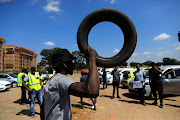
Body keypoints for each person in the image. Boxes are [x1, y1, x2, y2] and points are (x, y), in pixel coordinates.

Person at [41, 46, 99, 120]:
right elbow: (92, 91)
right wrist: (92, 59)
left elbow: (42, 109)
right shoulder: (61, 80)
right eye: (70, 62)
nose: (73, 64)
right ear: (64, 64)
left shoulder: (52, 80)